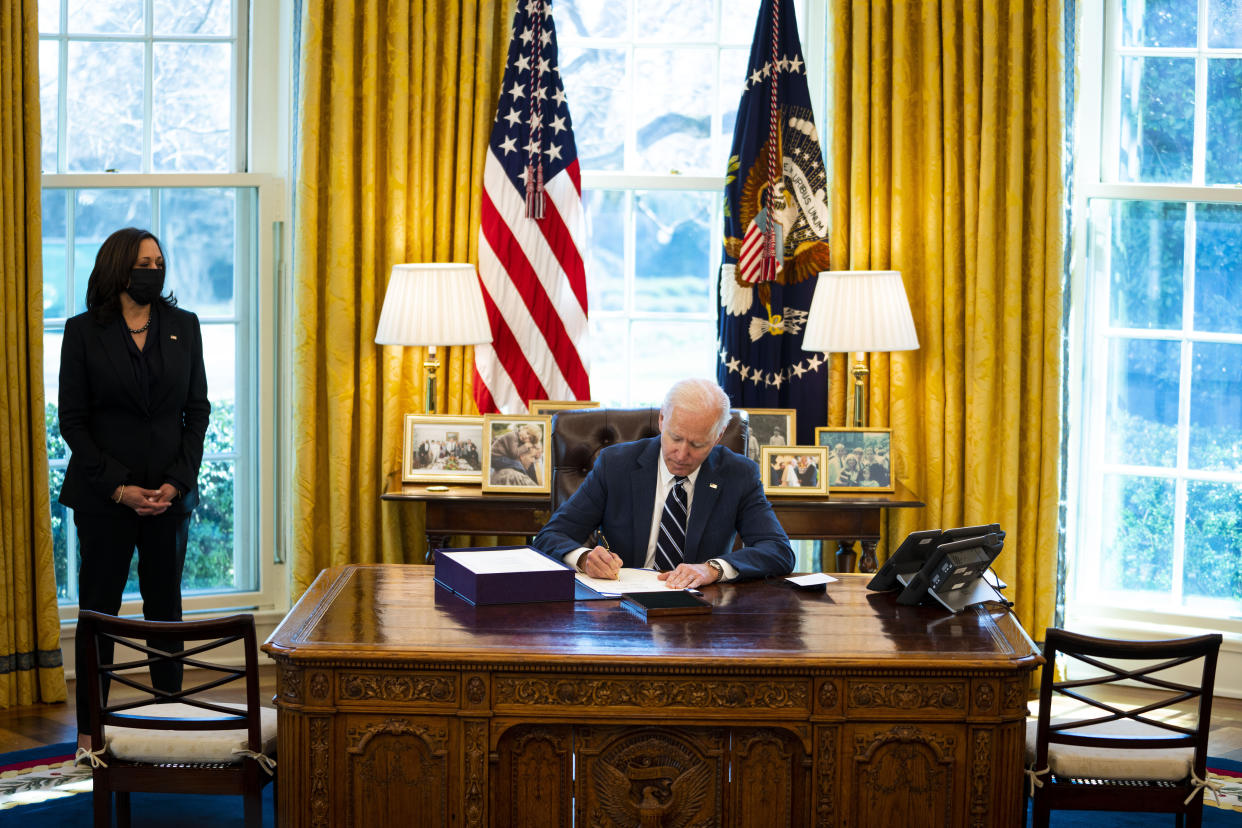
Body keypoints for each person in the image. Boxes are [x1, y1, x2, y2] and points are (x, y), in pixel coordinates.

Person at [58, 227, 210, 747]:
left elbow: (198, 411)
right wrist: (120, 488)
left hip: (169, 500)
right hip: (105, 500)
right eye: (145, 261)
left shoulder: (184, 326)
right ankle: (89, 733)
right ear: (120, 268)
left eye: (159, 260)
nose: (155, 268)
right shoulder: (82, 332)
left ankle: (174, 722)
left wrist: (175, 482)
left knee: (165, 609)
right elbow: (73, 423)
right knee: (99, 611)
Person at [533, 378, 794, 589]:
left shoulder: (738, 474)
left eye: (697, 444)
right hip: (623, 605)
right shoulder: (615, 465)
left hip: (702, 609)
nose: (681, 454)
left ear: (718, 436)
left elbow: (778, 550)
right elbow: (551, 536)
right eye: (675, 438)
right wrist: (584, 558)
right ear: (661, 421)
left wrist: (712, 569)